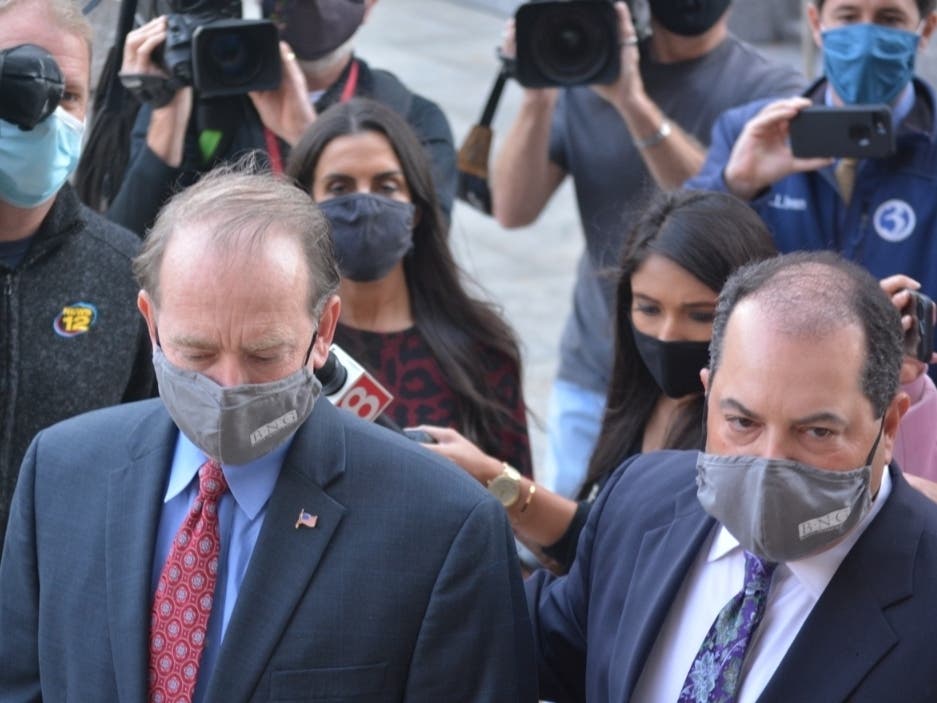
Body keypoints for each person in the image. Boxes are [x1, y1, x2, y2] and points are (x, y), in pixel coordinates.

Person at [0, 167, 537, 701]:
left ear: (323, 330)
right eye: (198, 352)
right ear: (151, 322)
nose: (228, 386)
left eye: (263, 354)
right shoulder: (61, 473)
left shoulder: (441, 527)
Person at [526, 250, 937, 702]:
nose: (770, 462)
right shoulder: (641, 500)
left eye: (817, 432)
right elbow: (536, 649)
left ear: (891, 425)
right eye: (743, 423)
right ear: (709, 395)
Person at [492, 0, 805, 498]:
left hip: (714, 382)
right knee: (571, 540)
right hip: (598, 369)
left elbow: (707, 217)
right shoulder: (585, 67)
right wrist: (537, 94)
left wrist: (632, 102)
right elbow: (511, 209)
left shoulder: (768, 90)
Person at [420, 190, 777, 570]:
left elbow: (630, 547)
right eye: (649, 309)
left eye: (700, 315)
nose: (668, 333)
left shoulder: (748, 438)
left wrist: (498, 480)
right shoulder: (640, 395)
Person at [687, 0, 937, 381]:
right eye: (848, 16)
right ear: (816, 23)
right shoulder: (749, 133)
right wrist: (734, 185)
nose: (866, 40)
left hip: (916, 411)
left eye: (889, 19)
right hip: (774, 405)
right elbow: (677, 261)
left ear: (927, 29)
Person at [286, 97, 532, 476]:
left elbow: (518, 513)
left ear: (415, 211)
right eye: (340, 187)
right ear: (305, 209)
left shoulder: (481, 351)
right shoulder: (282, 352)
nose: (365, 203)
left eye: (386, 186)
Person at [86, 0, 456, 235]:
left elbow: (417, 263)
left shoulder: (413, 119)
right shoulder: (202, 103)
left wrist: (308, 138)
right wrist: (166, 110)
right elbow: (127, 249)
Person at [0, 0, 154, 550]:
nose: (42, 110)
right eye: (18, 78)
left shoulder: (125, 273)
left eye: (67, 94)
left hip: (57, 610)